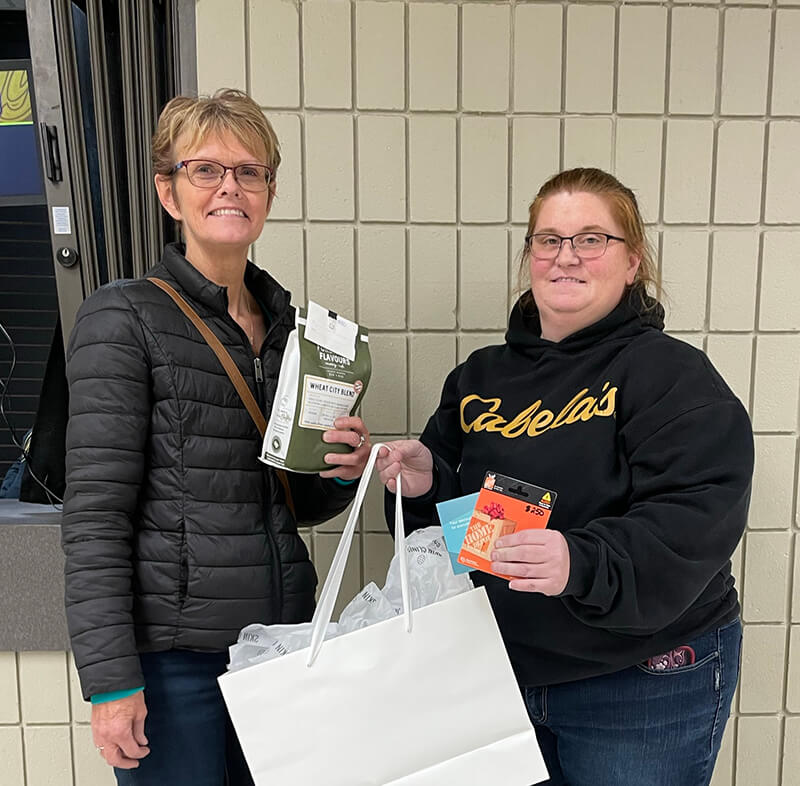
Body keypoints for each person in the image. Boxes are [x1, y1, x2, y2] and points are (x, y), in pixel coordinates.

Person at [377, 168, 753, 786]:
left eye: (591, 239)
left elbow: (695, 519)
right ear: (530, 256)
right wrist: (426, 487)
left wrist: (579, 562)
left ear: (632, 262)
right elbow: (460, 532)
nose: (566, 257)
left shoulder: (671, 376)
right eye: (548, 240)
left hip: (638, 680)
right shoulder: (481, 378)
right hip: (498, 675)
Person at [61, 89, 371, 786]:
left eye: (250, 171)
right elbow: (95, 520)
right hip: (177, 666)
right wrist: (110, 683)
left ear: (268, 192)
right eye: (207, 170)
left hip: (284, 648)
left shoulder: (291, 329)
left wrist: (341, 473)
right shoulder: (123, 318)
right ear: (169, 193)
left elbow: (295, 502)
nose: (231, 186)